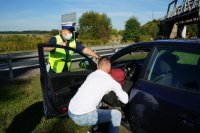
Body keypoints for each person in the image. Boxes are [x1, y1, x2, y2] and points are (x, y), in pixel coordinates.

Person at [68, 56, 128, 133]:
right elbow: (125, 100)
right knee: (117, 115)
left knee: (98, 105)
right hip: (82, 117)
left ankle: (94, 129)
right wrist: (125, 92)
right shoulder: (112, 82)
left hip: (71, 110)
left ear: (97, 66)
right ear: (109, 67)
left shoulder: (91, 75)